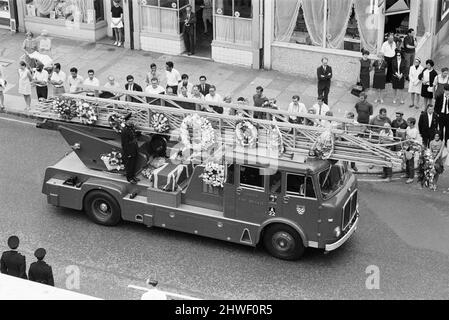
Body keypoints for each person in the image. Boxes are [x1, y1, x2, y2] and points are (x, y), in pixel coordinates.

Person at [121, 113, 140, 184]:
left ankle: (133, 176)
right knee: (129, 165)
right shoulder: (124, 130)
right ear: (126, 121)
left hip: (134, 148)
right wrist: (128, 153)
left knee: (134, 164)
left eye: (132, 119)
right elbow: (124, 144)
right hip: (129, 151)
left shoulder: (131, 127)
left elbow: (135, 135)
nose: (132, 121)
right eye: (130, 120)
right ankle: (129, 178)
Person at [404, 117, 420, 184]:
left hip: (412, 147)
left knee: (411, 162)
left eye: (408, 122)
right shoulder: (408, 128)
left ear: (412, 123)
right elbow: (406, 135)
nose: (407, 123)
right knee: (406, 161)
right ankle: (407, 174)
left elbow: (411, 139)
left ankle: (411, 177)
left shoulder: (415, 130)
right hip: (407, 146)